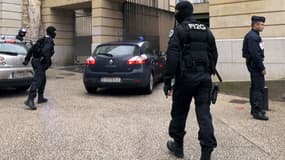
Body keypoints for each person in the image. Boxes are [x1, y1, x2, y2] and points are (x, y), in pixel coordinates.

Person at [163, 1, 218, 160]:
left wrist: (167, 81)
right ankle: (206, 152)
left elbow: (172, 57)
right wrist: (208, 71)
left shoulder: (178, 30)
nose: (175, 15)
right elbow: (214, 54)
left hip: (185, 78)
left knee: (179, 112)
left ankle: (178, 146)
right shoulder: (206, 31)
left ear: (181, 12)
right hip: (204, 79)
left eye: (176, 12)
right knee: (204, 113)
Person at [23, 26, 56, 110]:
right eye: (55, 32)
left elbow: (31, 49)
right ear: (51, 32)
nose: (56, 34)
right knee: (37, 80)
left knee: (43, 79)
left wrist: (27, 60)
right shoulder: (49, 41)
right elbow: (46, 52)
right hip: (40, 62)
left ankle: (40, 97)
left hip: (35, 60)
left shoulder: (41, 39)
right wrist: (48, 62)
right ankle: (30, 99)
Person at [242, 16, 268, 121]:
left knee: (255, 87)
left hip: (254, 64)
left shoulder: (254, 35)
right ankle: (257, 111)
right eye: (261, 24)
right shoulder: (253, 37)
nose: (263, 26)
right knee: (258, 88)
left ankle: (255, 109)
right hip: (255, 65)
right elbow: (255, 54)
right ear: (255, 24)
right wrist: (262, 67)